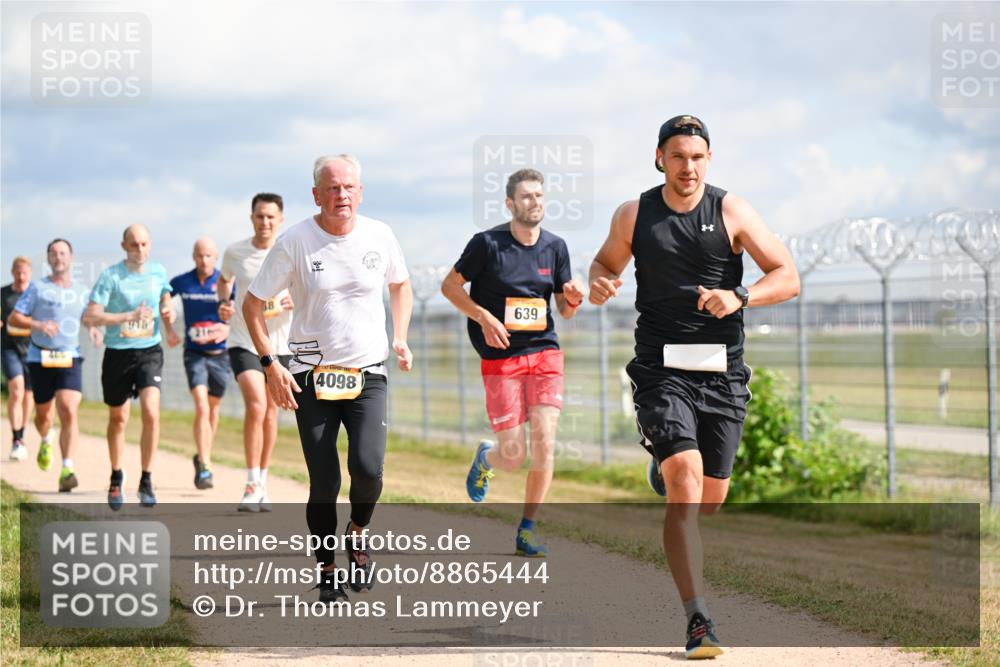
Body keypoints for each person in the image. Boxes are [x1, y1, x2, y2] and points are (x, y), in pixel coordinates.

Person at [588, 115, 799, 659]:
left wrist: (741, 296)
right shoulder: (635, 213)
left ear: (710, 159)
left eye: (698, 157)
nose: (689, 166)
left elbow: (787, 275)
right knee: (685, 481)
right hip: (660, 370)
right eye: (678, 156)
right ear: (659, 157)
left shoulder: (732, 210)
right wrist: (600, 282)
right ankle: (698, 619)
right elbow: (604, 264)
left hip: (722, 373)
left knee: (709, 501)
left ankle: (667, 465)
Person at [245, 154, 413, 603]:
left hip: (368, 372)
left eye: (349, 187)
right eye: (333, 188)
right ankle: (326, 569)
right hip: (309, 376)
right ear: (316, 194)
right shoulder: (295, 240)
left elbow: (400, 284)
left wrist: (400, 336)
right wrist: (270, 363)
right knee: (324, 482)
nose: (342, 195)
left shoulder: (380, 234)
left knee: (368, 469)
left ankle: (358, 531)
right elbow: (252, 304)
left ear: (360, 191)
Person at [441, 168, 584, 557]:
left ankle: (526, 529)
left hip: (544, 354)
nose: (534, 202)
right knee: (513, 456)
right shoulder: (487, 244)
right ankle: (487, 456)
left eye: (539, 195)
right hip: (501, 358)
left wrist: (571, 299)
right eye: (525, 196)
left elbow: (563, 311)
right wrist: (483, 317)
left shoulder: (556, 247)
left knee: (545, 444)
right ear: (510, 203)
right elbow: (449, 287)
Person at [83, 224, 175, 510]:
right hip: (118, 353)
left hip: (149, 350)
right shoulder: (111, 276)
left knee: (151, 411)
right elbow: (91, 316)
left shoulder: (158, 271)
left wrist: (168, 311)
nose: (141, 250)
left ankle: (146, 479)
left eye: (145, 244)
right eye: (134, 245)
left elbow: (165, 296)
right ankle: (116, 475)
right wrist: (126, 316)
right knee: (119, 419)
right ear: (124, 246)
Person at [218, 193, 293, 512]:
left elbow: (309, 286)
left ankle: (262, 480)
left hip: (281, 344)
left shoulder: (291, 248)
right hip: (244, 340)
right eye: (260, 216)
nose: (265, 223)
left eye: (271, 217)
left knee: (271, 412)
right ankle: (250, 482)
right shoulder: (235, 252)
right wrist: (223, 303)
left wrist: (295, 300)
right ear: (252, 218)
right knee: (257, 405)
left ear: (281, 220)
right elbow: (224, 281)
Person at [9, 239, 102, 492]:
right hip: (39, 358)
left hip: (70, 356)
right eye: (53, 253)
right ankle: (46, 438)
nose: (58, 257)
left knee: (69, 409)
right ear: (48, 259)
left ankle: (67, 468)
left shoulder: (82, 290)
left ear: (71, 258)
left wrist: (93, 329)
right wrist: (39, 326)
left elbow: (87, 316)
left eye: (63, 253)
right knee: (43, 416)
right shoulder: (37, 288)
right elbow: (14, 317)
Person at [166, 237, 230, 490]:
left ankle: (204, 454)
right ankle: (205, 466)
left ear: (216, 258)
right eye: (200, 255)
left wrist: (225, 327)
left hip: (221, 355)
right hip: (194, 353)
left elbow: (238, 310)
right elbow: (164, 300)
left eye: (209, 256)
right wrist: (169, 326)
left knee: (213, 410)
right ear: (194, 256)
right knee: (202, 407)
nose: (204, 260)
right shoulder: (182, 281)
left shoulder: (224, 283)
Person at [2, 256, 35, 462]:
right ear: (13, 272)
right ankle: (16, 440)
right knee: (16, 389)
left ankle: (21, 433)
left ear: (29, 273)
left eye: (25, 272)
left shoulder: (35, 294)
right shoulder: (3, 294)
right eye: (18, 272)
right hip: (8, 347)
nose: (21, 276)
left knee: (29, 396)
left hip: (32, 350)